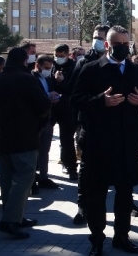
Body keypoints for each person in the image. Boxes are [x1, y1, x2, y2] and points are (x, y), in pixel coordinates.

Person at [70, 26, 138, 256]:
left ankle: (121, 236)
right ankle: (97, 240)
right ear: (107, 45)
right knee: (96, 196)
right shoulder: (91, 69)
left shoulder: (136, 70)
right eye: (118, 44)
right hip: (99, 144)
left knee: (125, 195)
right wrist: (101, 101)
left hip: (127, 143)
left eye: (126, 44)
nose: (123, 48)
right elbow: (75, 100)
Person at [0, 47, 51, 240]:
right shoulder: (26, 79)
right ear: (24, 61)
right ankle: (10, 220)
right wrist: (40, 121)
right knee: (25, 177)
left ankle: (15, 216)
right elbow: (43, 105)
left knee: (7, 179)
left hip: (2, 136)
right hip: (24, 136)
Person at [68, 24, 111, 225]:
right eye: (95, 37)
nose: (97, 41)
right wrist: (98, 100)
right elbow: (74, 95)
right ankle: (83, 207)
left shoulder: (119, 63)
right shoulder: (84, 62)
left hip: (113, 125)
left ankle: (126, 205)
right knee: (86, 169)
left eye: (101, 37)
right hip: (88, 123)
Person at [32, 55, 62, 191]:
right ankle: (32, 179)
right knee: (33, 152)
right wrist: (47, 97)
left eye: (50, 68)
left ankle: (43, 177)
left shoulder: (49, 79)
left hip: (48, 119)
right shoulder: (30, 79)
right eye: (45, 67)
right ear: (37, 65)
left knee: (45, 151)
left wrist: (54, 97)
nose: (48, 70)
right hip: (35, 121)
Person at [51, 44, 78, 181]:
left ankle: (71, 166)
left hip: (68, 108)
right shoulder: (51, 66)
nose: (58, 58)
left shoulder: (74, 67)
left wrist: (62, 82)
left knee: (67, 139)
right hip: (52, 107)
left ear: (67, 55)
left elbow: (74, 89)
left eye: (61, 56)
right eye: (56, 56)